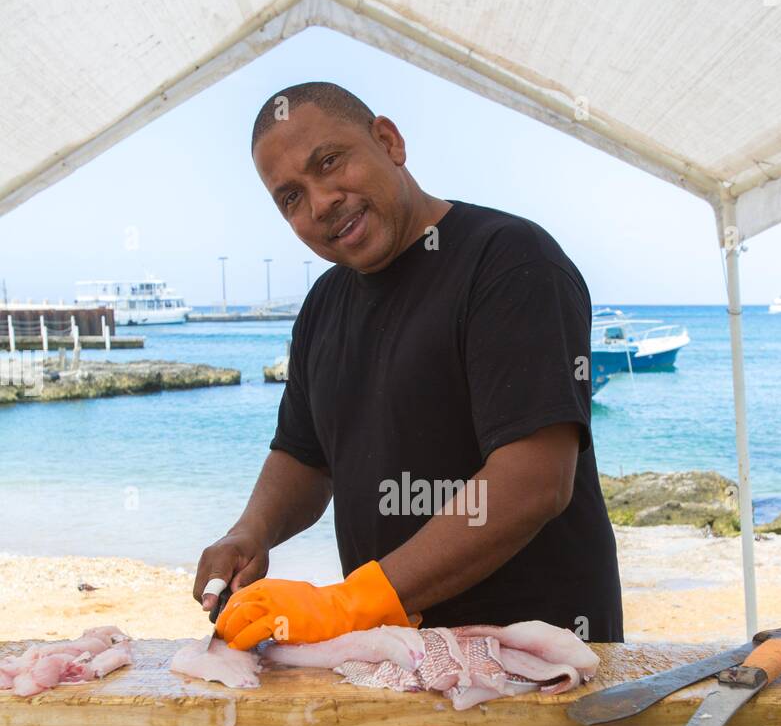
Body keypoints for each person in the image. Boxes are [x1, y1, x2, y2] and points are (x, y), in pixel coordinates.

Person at [194, 81, 622, 650]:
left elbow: (534, 480)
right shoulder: (323, 304)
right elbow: (304, 454)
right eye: (291, 197)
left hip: (542, 659)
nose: (321, 202)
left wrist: (348, 604)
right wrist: (251, 531)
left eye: (329, 162)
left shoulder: (510, 260)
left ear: (389, 141)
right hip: (399, 654)